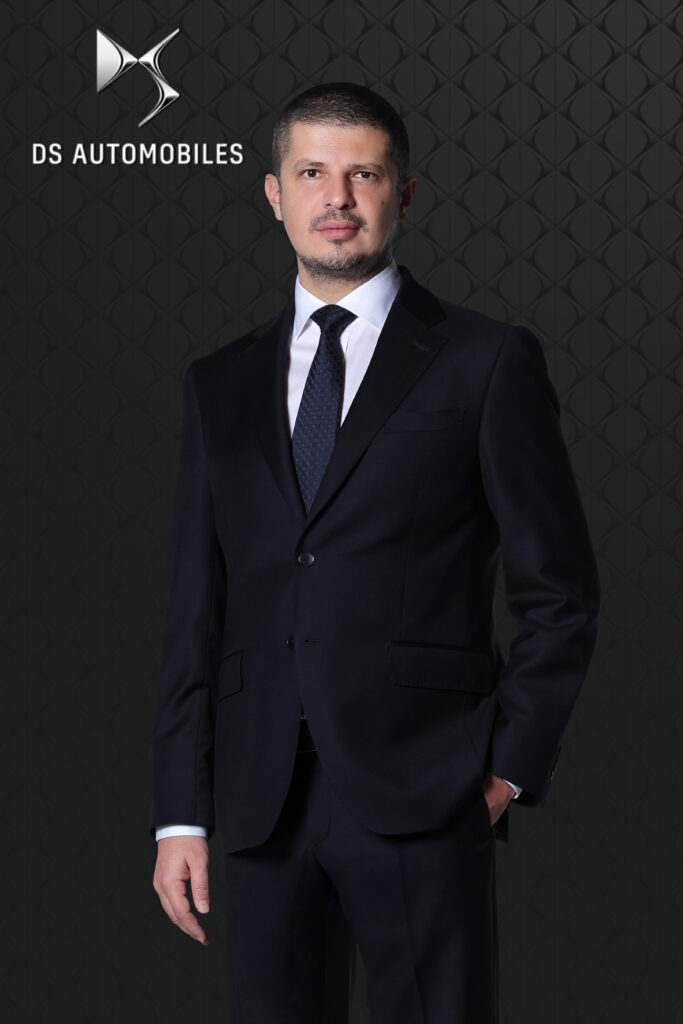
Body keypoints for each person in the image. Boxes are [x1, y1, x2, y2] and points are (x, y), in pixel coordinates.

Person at [150, 82, 601, 1023]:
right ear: (274, 193)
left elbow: (560, 591)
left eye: (364, 174)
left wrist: (507, 768)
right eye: (312, 173)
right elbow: (197, 608)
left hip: (427, 787)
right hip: (261, 798)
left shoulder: (484, 360)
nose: (337, 198)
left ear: (403, 193)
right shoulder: (219, 383)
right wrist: (180, 814)